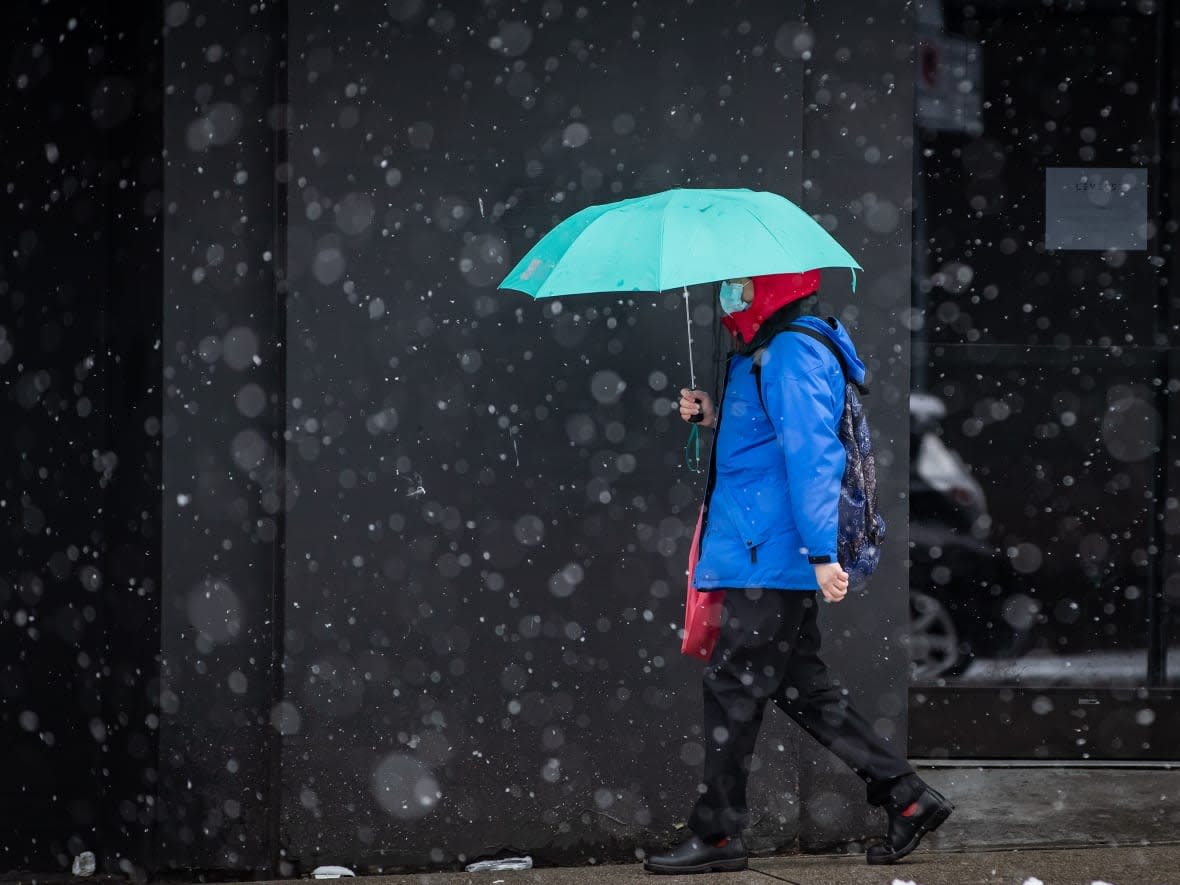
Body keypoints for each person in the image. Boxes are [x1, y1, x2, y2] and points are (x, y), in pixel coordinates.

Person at [644, 271, 953, 875]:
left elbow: (814, 456)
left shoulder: (789, 350)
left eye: (738, 284)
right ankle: (906, 797)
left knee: (733, 687)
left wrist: (820, 553)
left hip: (774, 552)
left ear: (769, 287)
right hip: (765, 547)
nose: (728, 293)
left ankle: (719, 835)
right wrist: (713, 416)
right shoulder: (767, 350)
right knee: (800, 688)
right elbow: (767, 439)